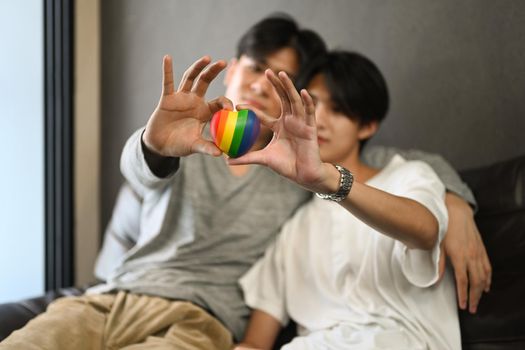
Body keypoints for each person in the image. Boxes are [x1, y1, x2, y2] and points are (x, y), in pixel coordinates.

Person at [0, 14, 487, 350]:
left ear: (292, 99)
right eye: (253, 68)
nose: (257, 85)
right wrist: (155, 142)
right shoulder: (186, 142)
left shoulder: (296, 169)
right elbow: (141, 174)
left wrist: (456, 203)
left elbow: (381, 165)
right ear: (232, 71)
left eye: (276, 79)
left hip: (204, 319)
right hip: (112, 297)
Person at [234, 50, 460, 349]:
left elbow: (426, 231)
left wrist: (329, 180)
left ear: (367, 126)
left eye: (338, 110)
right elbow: (255, 343)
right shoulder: (296, 227)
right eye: (311, 104)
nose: (320, 120)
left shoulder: (409, 177)